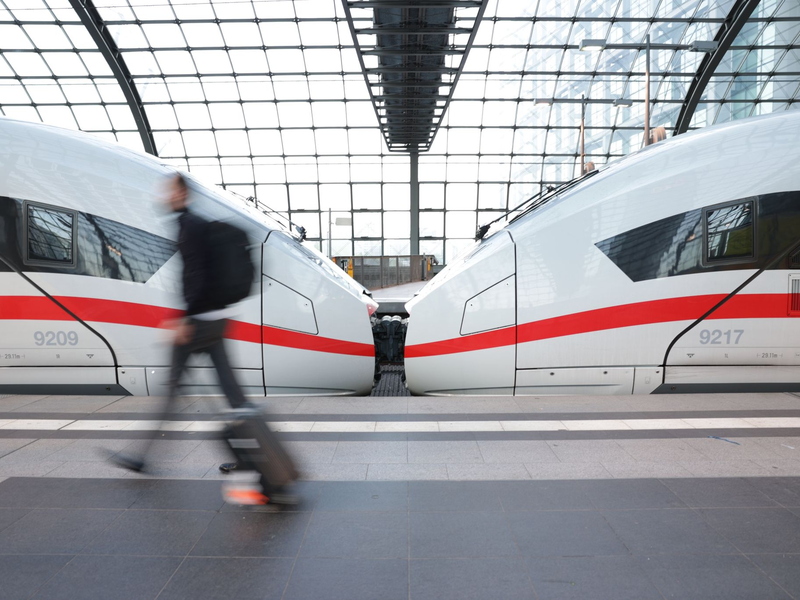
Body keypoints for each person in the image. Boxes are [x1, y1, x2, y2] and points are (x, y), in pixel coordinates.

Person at [113, 173, 246, 471]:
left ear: (182, 193)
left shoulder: (189, 226)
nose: (165, 196)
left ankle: (142, 457)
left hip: (198, 322)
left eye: (169, 191)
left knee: (173, 389)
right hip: (216, 319)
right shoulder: (196, 224)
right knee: (232, 393)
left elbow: (196, 274)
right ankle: (251, 456)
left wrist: (184, 319)